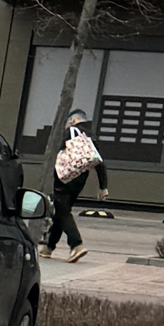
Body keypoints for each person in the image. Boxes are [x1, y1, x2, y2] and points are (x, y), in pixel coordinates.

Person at [44, 109, 107, 261]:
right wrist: (103, 186)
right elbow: (99, 162)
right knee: (62, 210)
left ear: (72, 120)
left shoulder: (71, 131)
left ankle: (76, 245)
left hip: (65, 179)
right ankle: (48, 247)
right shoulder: (91, 136)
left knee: (63, 211)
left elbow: (60, 153)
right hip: (80, 180)